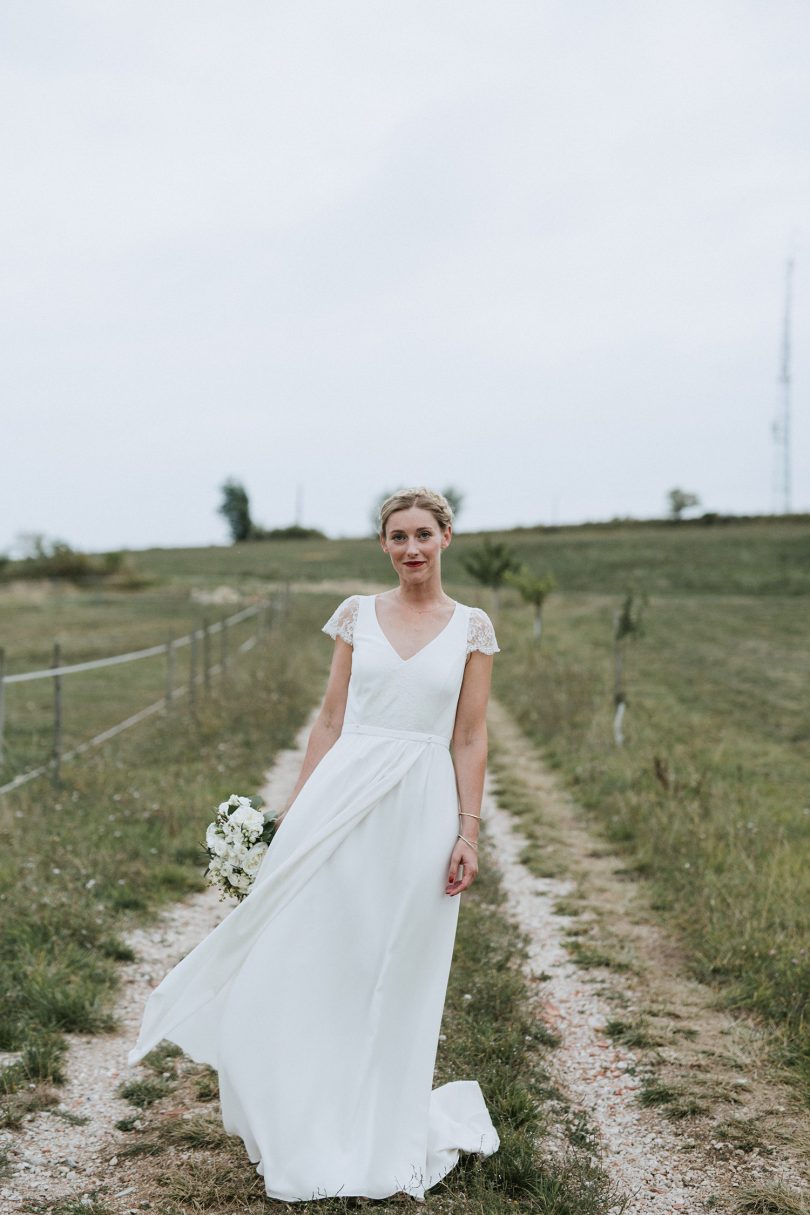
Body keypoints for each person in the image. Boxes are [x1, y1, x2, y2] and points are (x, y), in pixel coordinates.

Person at [127, 486, 502, 1203]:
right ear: (384, 544)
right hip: (344, 795)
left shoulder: (472, 628)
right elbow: (330, 719)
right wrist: (294, 814)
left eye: (424, 533)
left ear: (447, 537)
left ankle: (377, 1128)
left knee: (396, 969)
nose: (411, 548)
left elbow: (470, 735)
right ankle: (303, 1114)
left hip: (421, 806)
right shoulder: (357, 615)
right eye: (397, 536)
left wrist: (466, 830)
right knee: (318, 952)